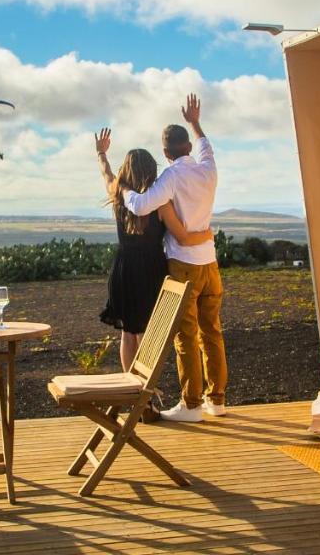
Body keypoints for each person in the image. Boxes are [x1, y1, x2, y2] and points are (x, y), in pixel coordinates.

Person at [117, 94, 226, 423]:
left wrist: (121, 187)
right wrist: (195, 121)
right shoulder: (208, 167)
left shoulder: (171, 178)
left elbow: (139, 206)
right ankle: (216, 400)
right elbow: (205, 142)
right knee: (213, 331)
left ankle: (191, 404)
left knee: (185, 336)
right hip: (210, 262)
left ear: (165, 153)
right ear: (188, 147)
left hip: (183, 263)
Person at [94, 131, 212, 373]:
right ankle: (144, 390)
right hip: (151, 269)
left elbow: (106, 173)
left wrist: (101, 153)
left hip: (124, 269)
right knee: (149, 332)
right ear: (152, 171)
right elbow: (183, 236)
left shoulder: (118, 194)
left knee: (129, 332)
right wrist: (208, 234)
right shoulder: (160, 203)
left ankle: (134, 390)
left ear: (126, 170)